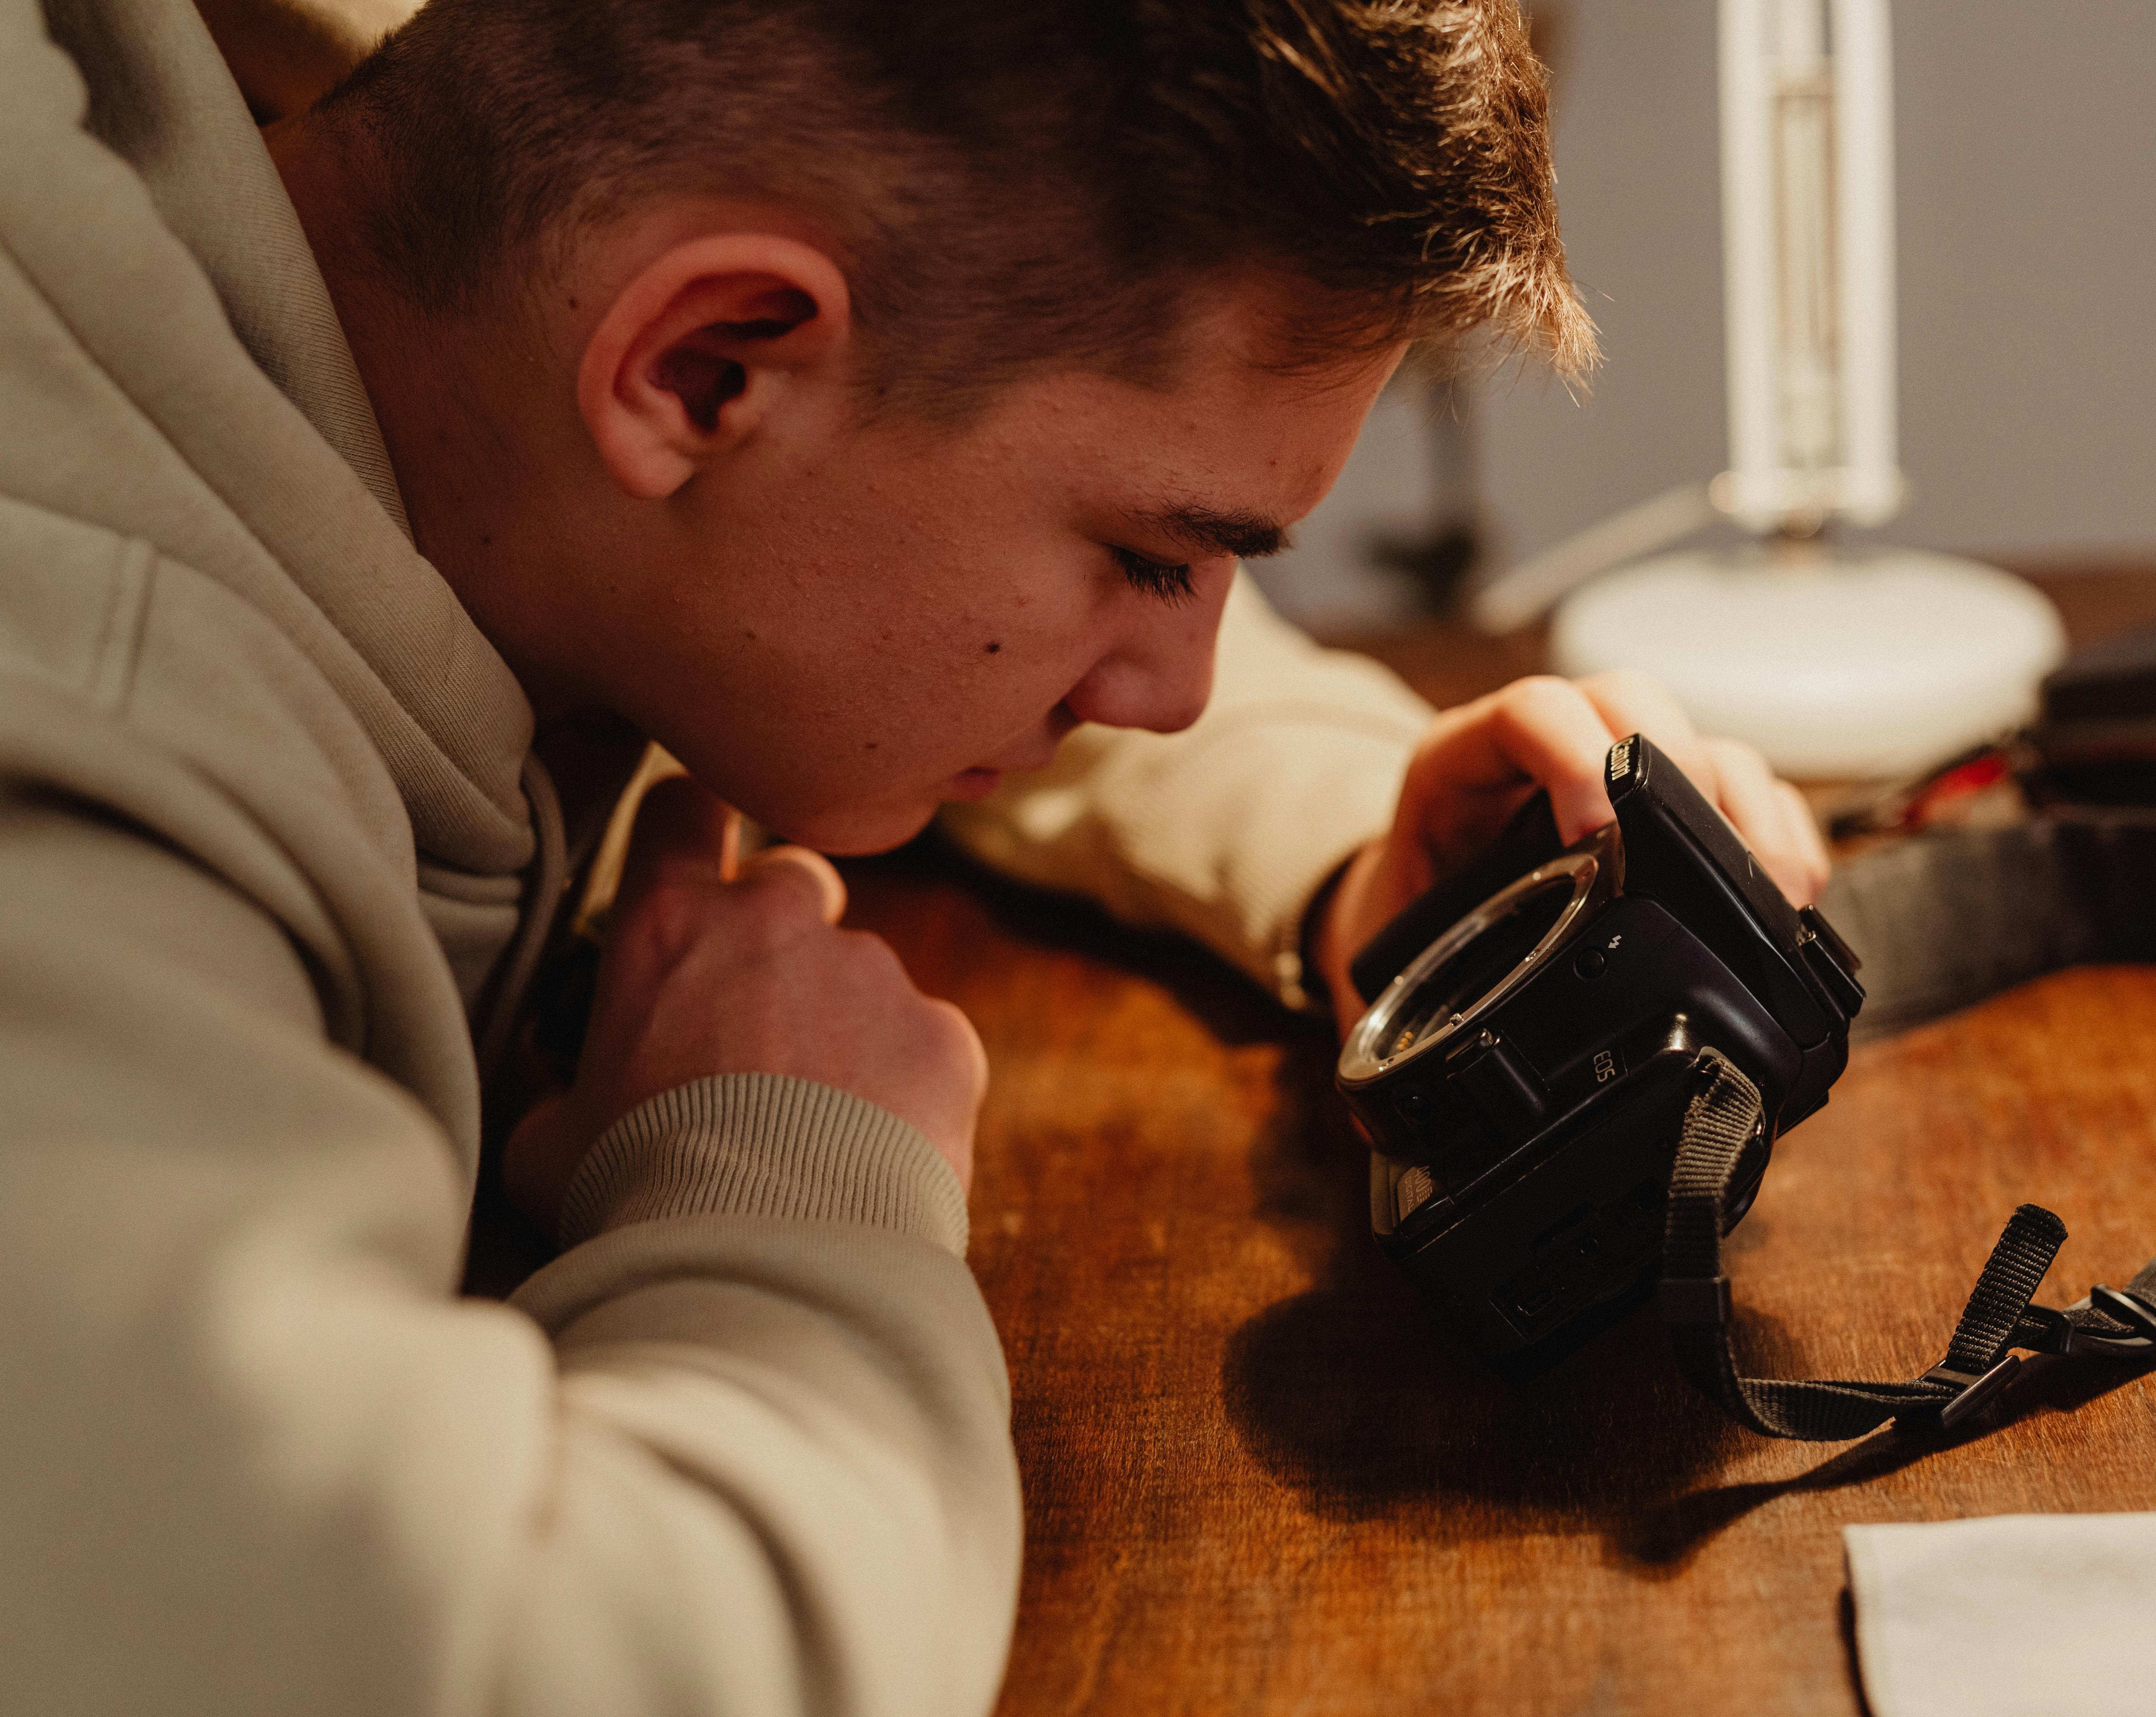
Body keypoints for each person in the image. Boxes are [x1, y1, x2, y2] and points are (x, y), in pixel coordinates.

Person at [0, 0, 1831, 1709]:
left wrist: (1352, 844)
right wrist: (784, 1181)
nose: (1181, 697)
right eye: (1152, 563)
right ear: (703, 370)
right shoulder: (71, 802)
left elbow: (864, 519)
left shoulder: (492, 151)